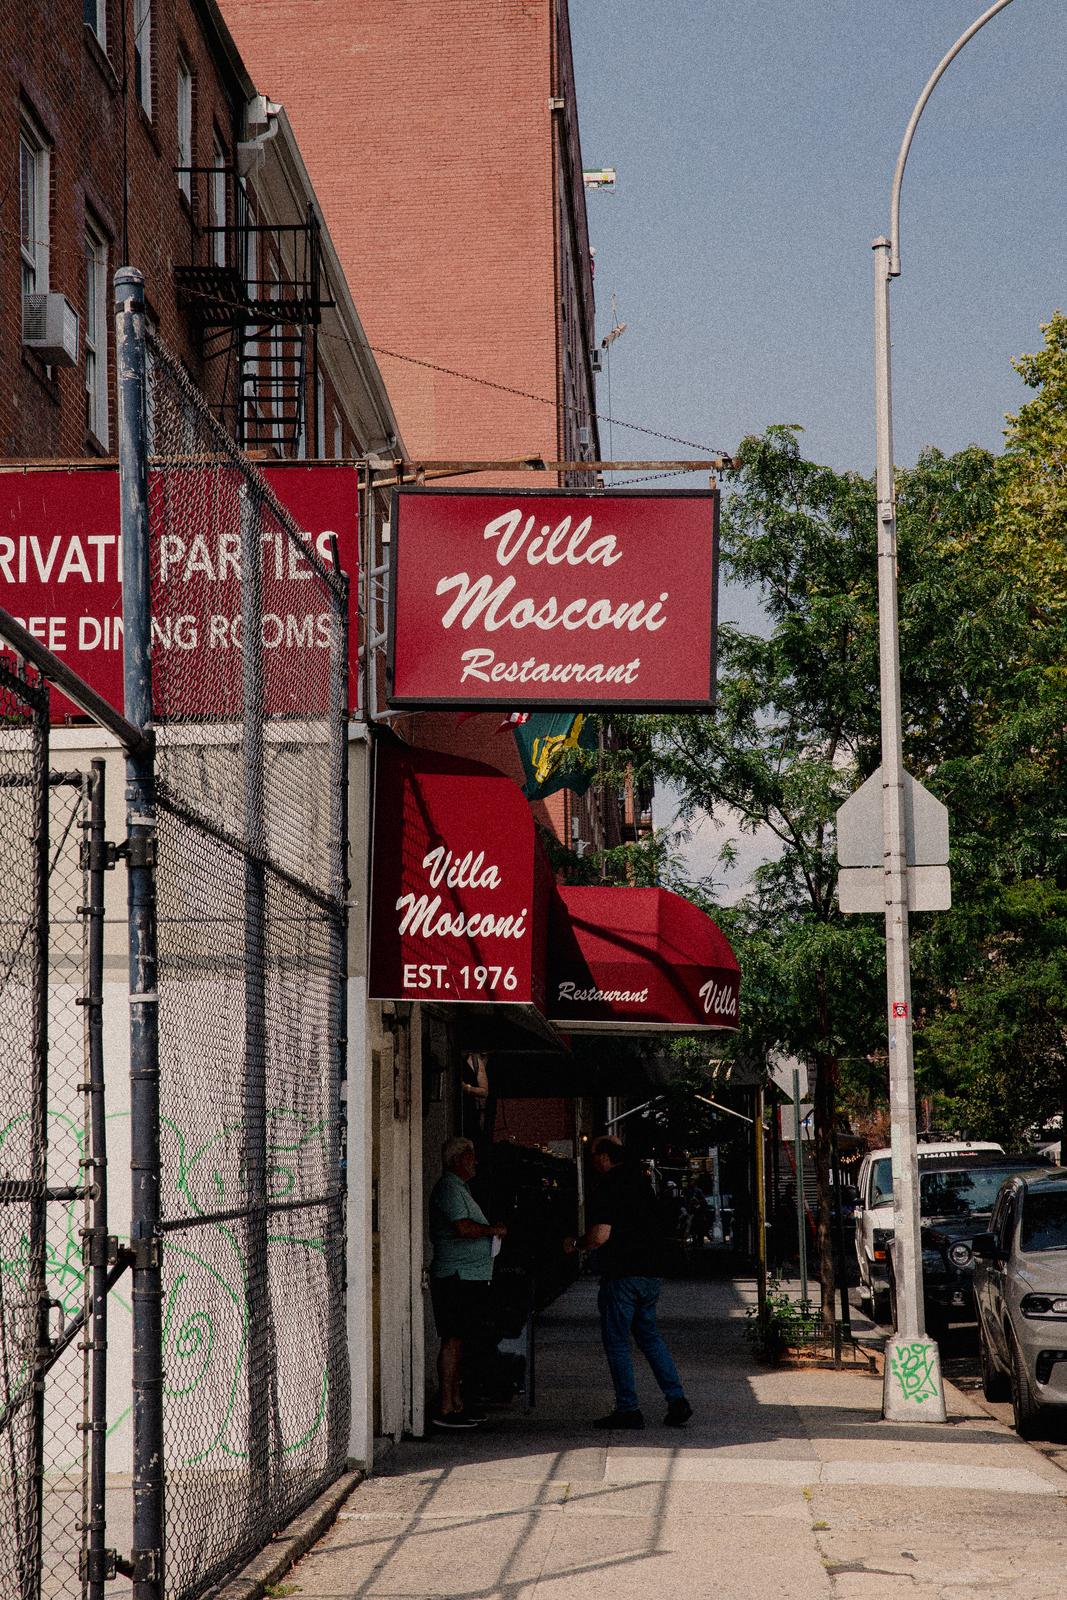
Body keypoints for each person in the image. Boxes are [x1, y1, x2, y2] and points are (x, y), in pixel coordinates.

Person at [564, 1135, 692, 1431]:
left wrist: (575, 1244)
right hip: (651, 1273)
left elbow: (600, 1236)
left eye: (593, 1154)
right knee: (649, 1336)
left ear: (606, 1157)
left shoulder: (608, 1186)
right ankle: (676, 1399)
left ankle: (628, 1409)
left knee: (617, 1341)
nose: (592, 1160)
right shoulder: (642, 1182)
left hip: (622, 1274)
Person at [428, 1135, 506, 1430]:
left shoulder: (461, 1188)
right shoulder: (449, 1188)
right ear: (458, 1159)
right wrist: (492, 1230)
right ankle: (446, 1406)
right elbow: (462, 1227)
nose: (475, 1161)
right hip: (455, 1276)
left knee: (461, 1340)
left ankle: (457, 1401)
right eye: (471, 1156)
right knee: (453, 1338)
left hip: (469, 1276)